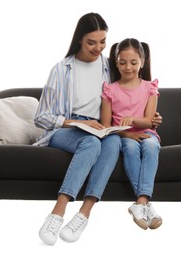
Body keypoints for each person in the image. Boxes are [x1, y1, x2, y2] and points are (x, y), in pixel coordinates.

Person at [34, 13, 162, 245]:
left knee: (111, 142)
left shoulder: (110, 66)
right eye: (91, 42)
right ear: (79, 40)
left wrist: (150, 118)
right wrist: (78, 123)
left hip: (104, 129)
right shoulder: (62, 70)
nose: (98, 47)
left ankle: (83, 214)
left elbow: (131, 90)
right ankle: (57, 213)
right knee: (90, 142)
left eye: (102, 41)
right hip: (68, 129)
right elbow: (42, 117)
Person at [101, 38, 162, 230]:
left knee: (151, 145)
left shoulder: (149, 88)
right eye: (122, 62)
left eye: (133, 63)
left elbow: (148, 120)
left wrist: (132, 119)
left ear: (142, 62)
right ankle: (145, 204)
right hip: (123, 136)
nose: (128, 67)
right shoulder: (110, 90)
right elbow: (105, 125)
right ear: (116, 63)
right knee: (130, 147)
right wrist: (126, 134)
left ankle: (140, 202)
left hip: (146, 133)